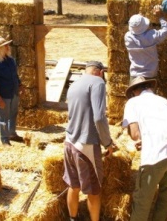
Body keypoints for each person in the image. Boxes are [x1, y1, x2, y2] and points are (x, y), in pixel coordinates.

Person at [122, 76, 167, 221]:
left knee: (142, 201)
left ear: (135, 91)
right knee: (164, 194)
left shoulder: (133, 102)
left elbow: (135, 134)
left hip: (156, 156)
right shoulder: (165, 102)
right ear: (149, 87)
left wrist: (136, 136)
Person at [63, 61, 114, 221]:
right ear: (99, 72)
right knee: (93, 191)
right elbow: (99, 118)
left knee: (74, 186)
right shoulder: (98, 82)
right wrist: (108, 142)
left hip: (69, 142)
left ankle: (73, 218)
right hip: (85, 145)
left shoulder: (74, 85)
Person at [0, 37, 23, 146]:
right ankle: (4, 139)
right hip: (3, 95)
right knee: (3, 117)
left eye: (8, 45)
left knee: (13, 114)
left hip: (13, 92)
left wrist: (20, 85)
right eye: (5, 46)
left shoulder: (10, 60)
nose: (8, 47)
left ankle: (12, 133)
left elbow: (15, 75)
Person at [125, 13, 167, 82]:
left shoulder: (127, 36)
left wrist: (138, 21)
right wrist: (161, 16)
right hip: (150, 75)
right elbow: (166, 31)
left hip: (134, 75)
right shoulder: (151, 35)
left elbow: (136, 31)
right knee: (149, 93)